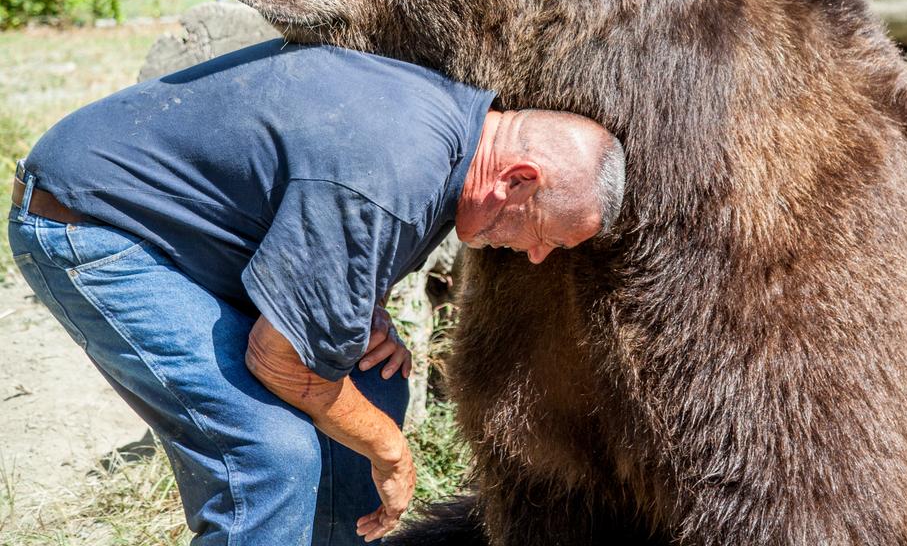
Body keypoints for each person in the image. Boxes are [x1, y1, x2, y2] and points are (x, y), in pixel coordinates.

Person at [7, 39, 625, 545]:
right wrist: (391, 451)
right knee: (268, 454)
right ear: (518, 180)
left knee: (375, 384)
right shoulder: (391, 175)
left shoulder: (461, 138)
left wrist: (355, 305)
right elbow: (280, 360)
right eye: (546, 235)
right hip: (91, 223)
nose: (538, 256)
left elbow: (319, 202)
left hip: (193, 230)